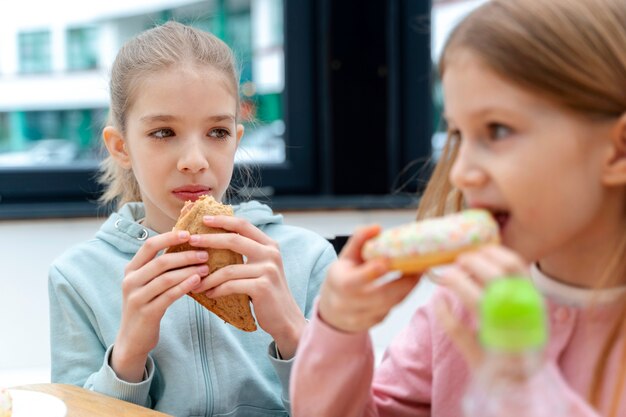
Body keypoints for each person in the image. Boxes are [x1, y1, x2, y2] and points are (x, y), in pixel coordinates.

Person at [290, 0, 626, 416]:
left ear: (617, 150)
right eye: (456, 134)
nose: (462, 172)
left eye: (497, 130)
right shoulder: (460, 308)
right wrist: (338, 329)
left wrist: (525, 388)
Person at [48, 21, 336, 417]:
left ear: (236, 140)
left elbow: (351, 408)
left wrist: (291, 332)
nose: (195, 162)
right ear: (121, 146)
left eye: (217, 132)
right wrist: (128, 355)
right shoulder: (77, 278)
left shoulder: (308, 258)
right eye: (164, 132)